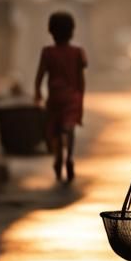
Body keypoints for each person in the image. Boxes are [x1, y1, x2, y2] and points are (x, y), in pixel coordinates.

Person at [35, 11, 87, 183]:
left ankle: (58, 158)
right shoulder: (78, 52)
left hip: (55, 97)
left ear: (51, 31)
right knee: (69, 128)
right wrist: (80, 96)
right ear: (72, 31)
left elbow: (40, 75)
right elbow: (81, 78)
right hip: (72, 98)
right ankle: (69, 157)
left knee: (55, 131)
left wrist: (37, 93)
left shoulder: (47, 52)